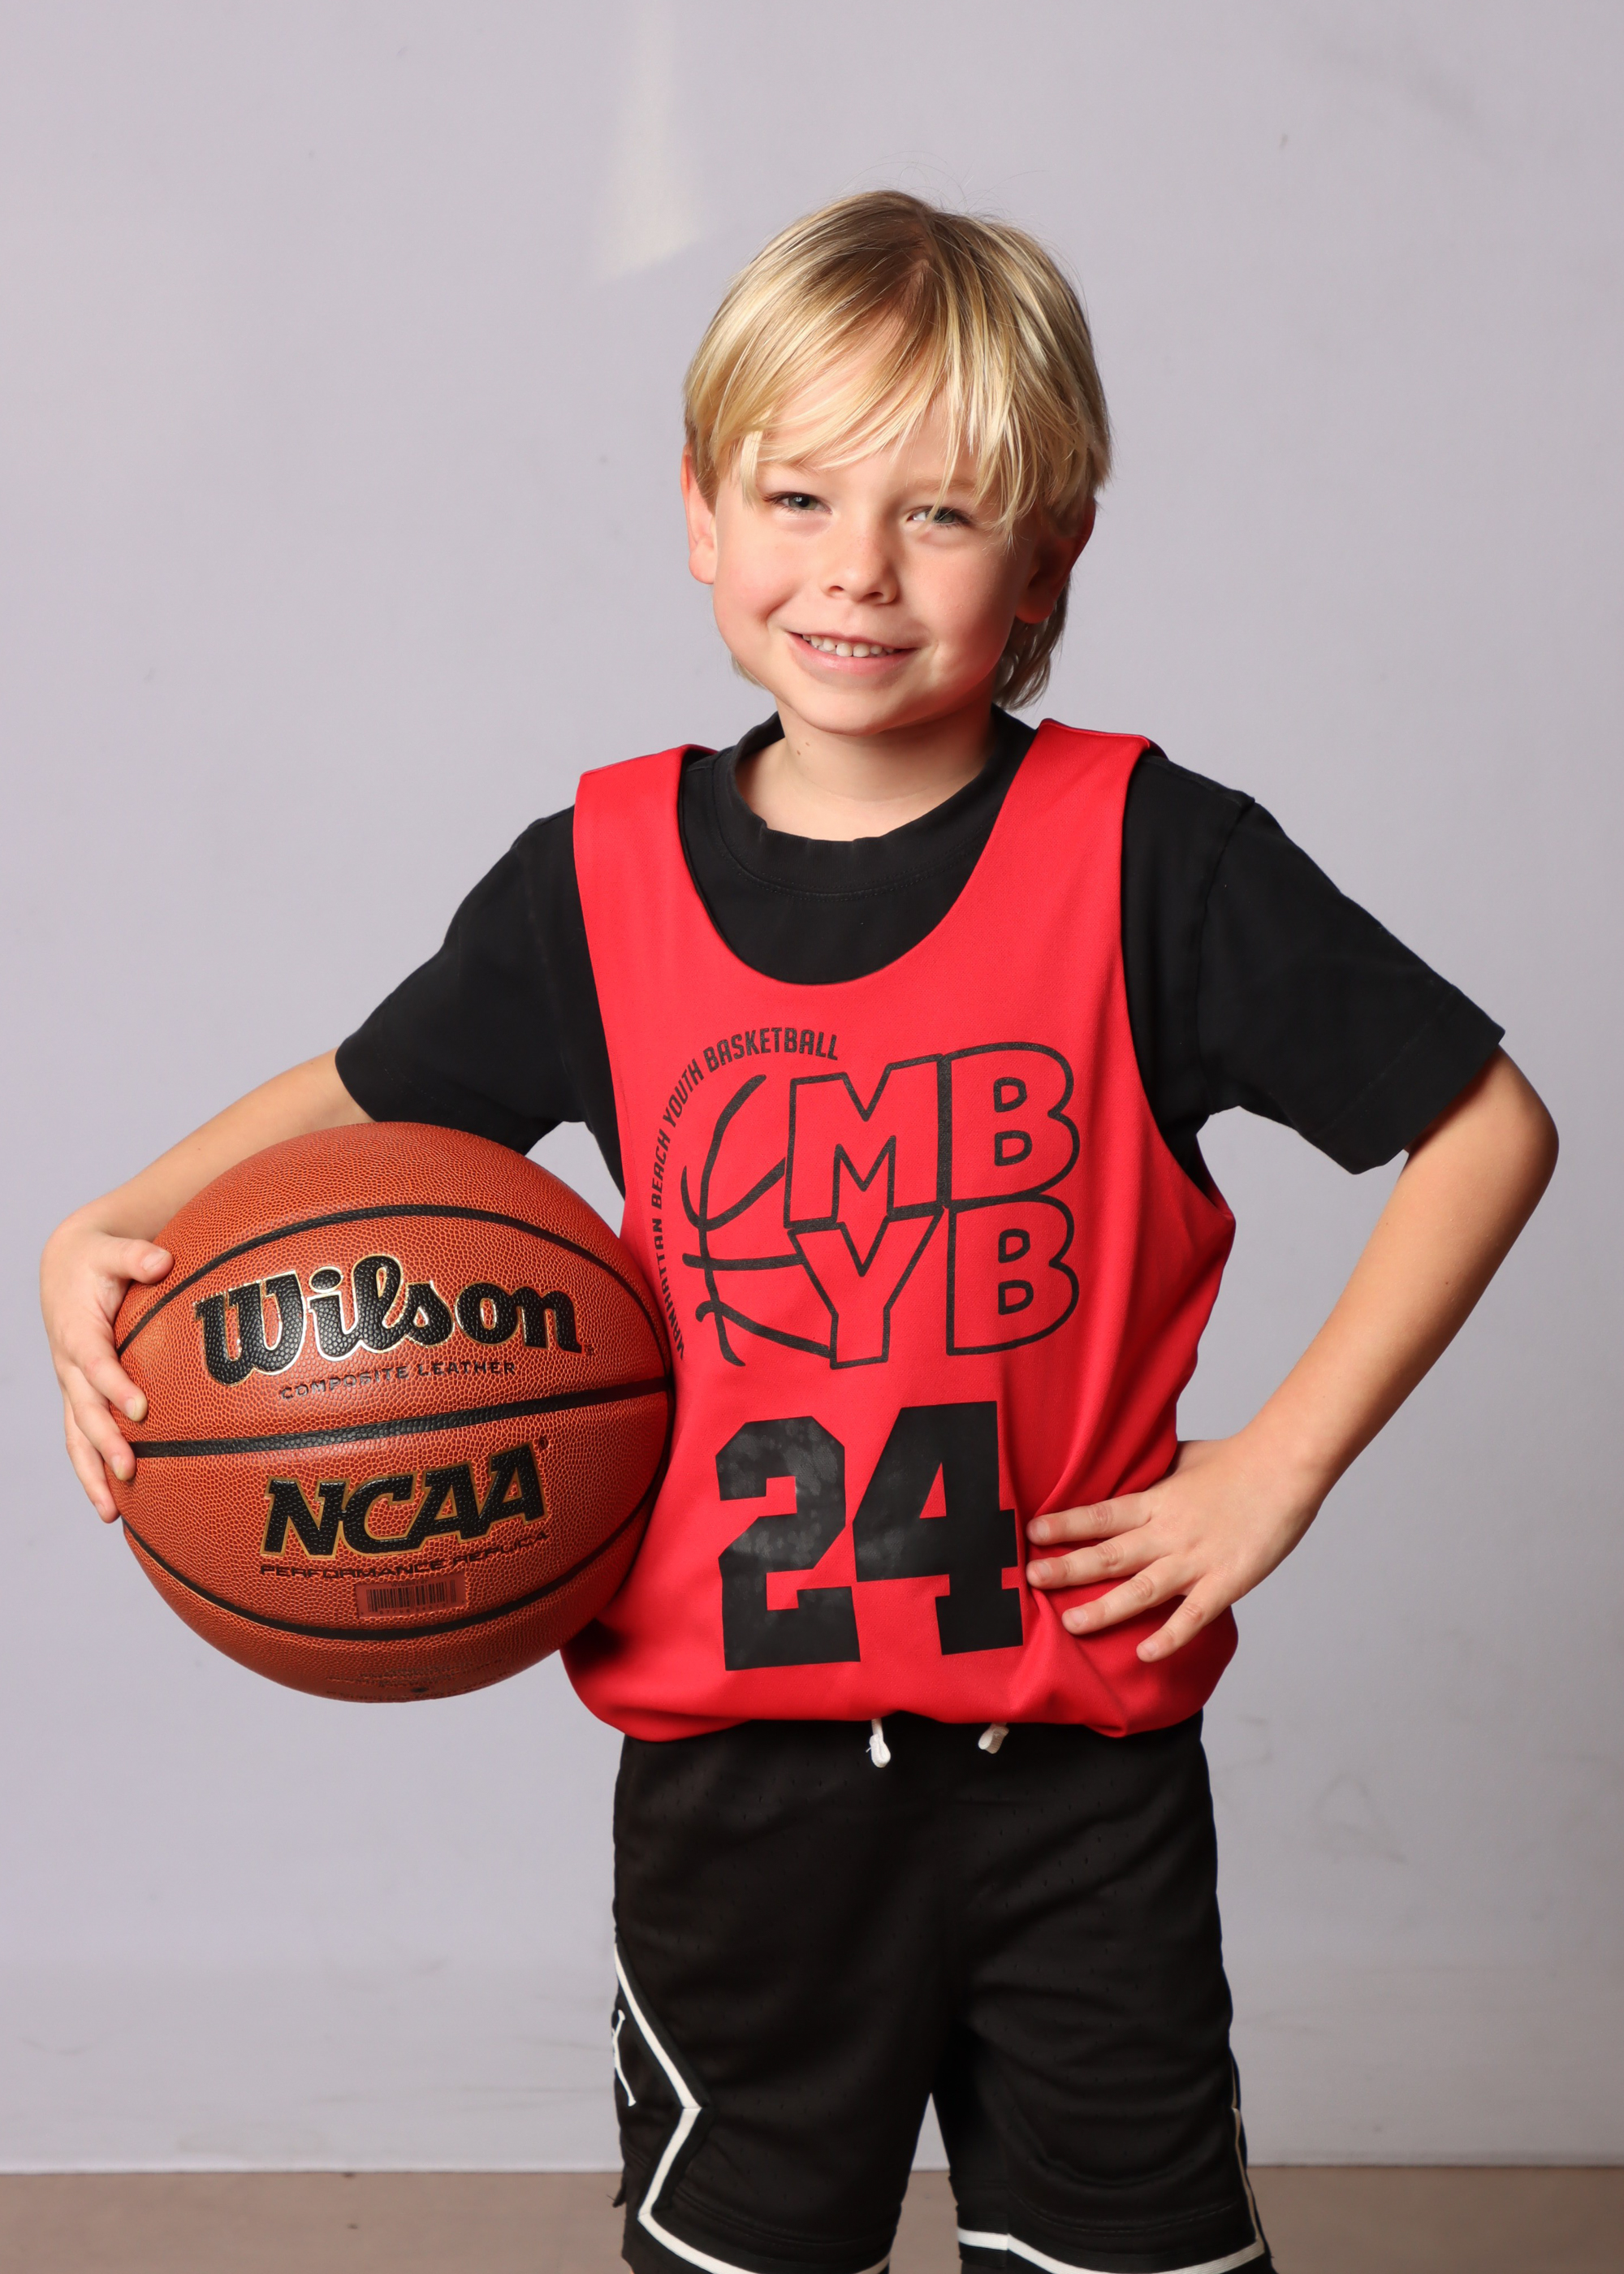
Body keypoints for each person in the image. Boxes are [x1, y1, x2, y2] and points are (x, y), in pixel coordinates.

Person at [42, 192, 1557, 2274]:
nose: (856, 567)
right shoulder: (593, 881)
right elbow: (362, 1099)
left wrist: (1279, 1464)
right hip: (733, 1802)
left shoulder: (1150, 857)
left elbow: (1481, 1123)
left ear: (1051, 556)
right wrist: (113, 1222)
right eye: (798, 495)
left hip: (1073, 1778)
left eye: (941, 512)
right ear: (699, 510)